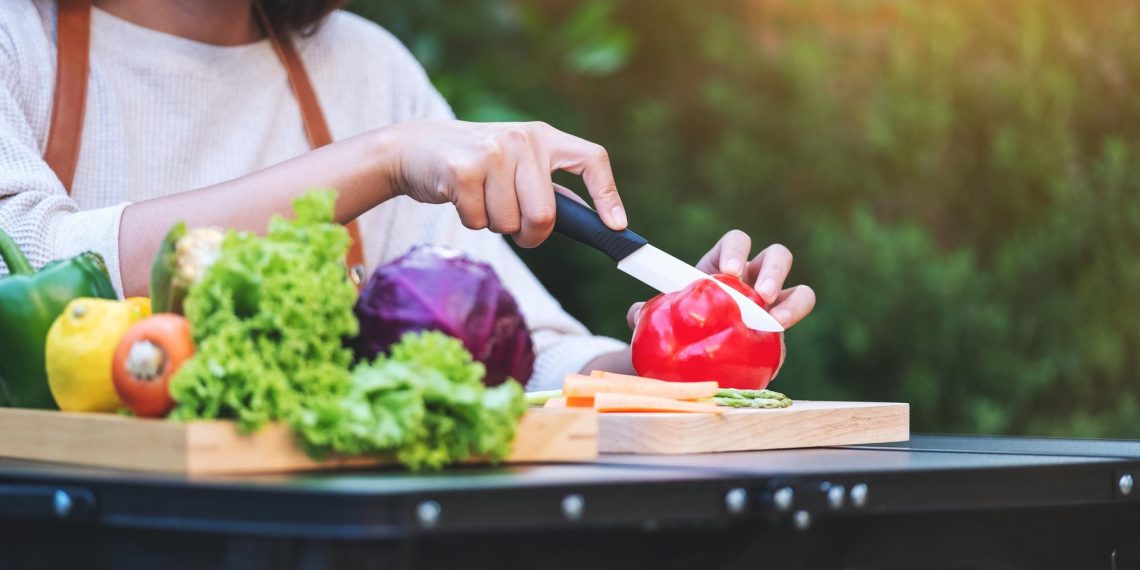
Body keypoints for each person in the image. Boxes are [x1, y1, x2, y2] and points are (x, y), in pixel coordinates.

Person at [0, 0, 815, 391]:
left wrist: (677, 355)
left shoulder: (363, 64)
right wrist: (382, 159)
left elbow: (523, 353)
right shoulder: (17, 36)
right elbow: (30, 265)